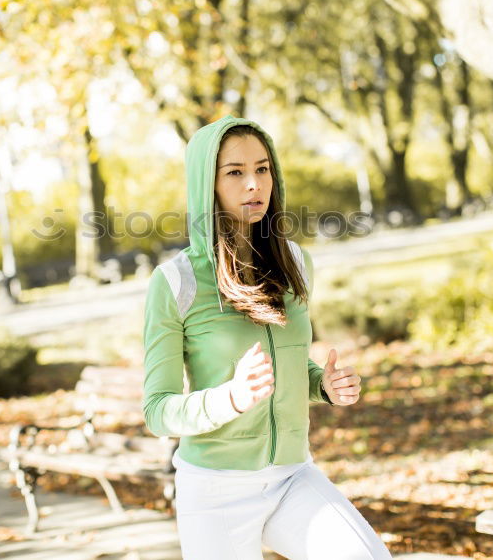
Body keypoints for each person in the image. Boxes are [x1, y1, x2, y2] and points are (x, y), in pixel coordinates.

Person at [142, 116, 392, 559]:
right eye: (234, 172)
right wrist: (230, 398)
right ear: (208, 183)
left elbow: (291, 363)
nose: (253, 184)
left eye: (263, 169)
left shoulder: (294, 260)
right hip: (215, 490)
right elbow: (158, 412)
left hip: (292, 474)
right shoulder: (176, 281)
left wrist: (323, 385)